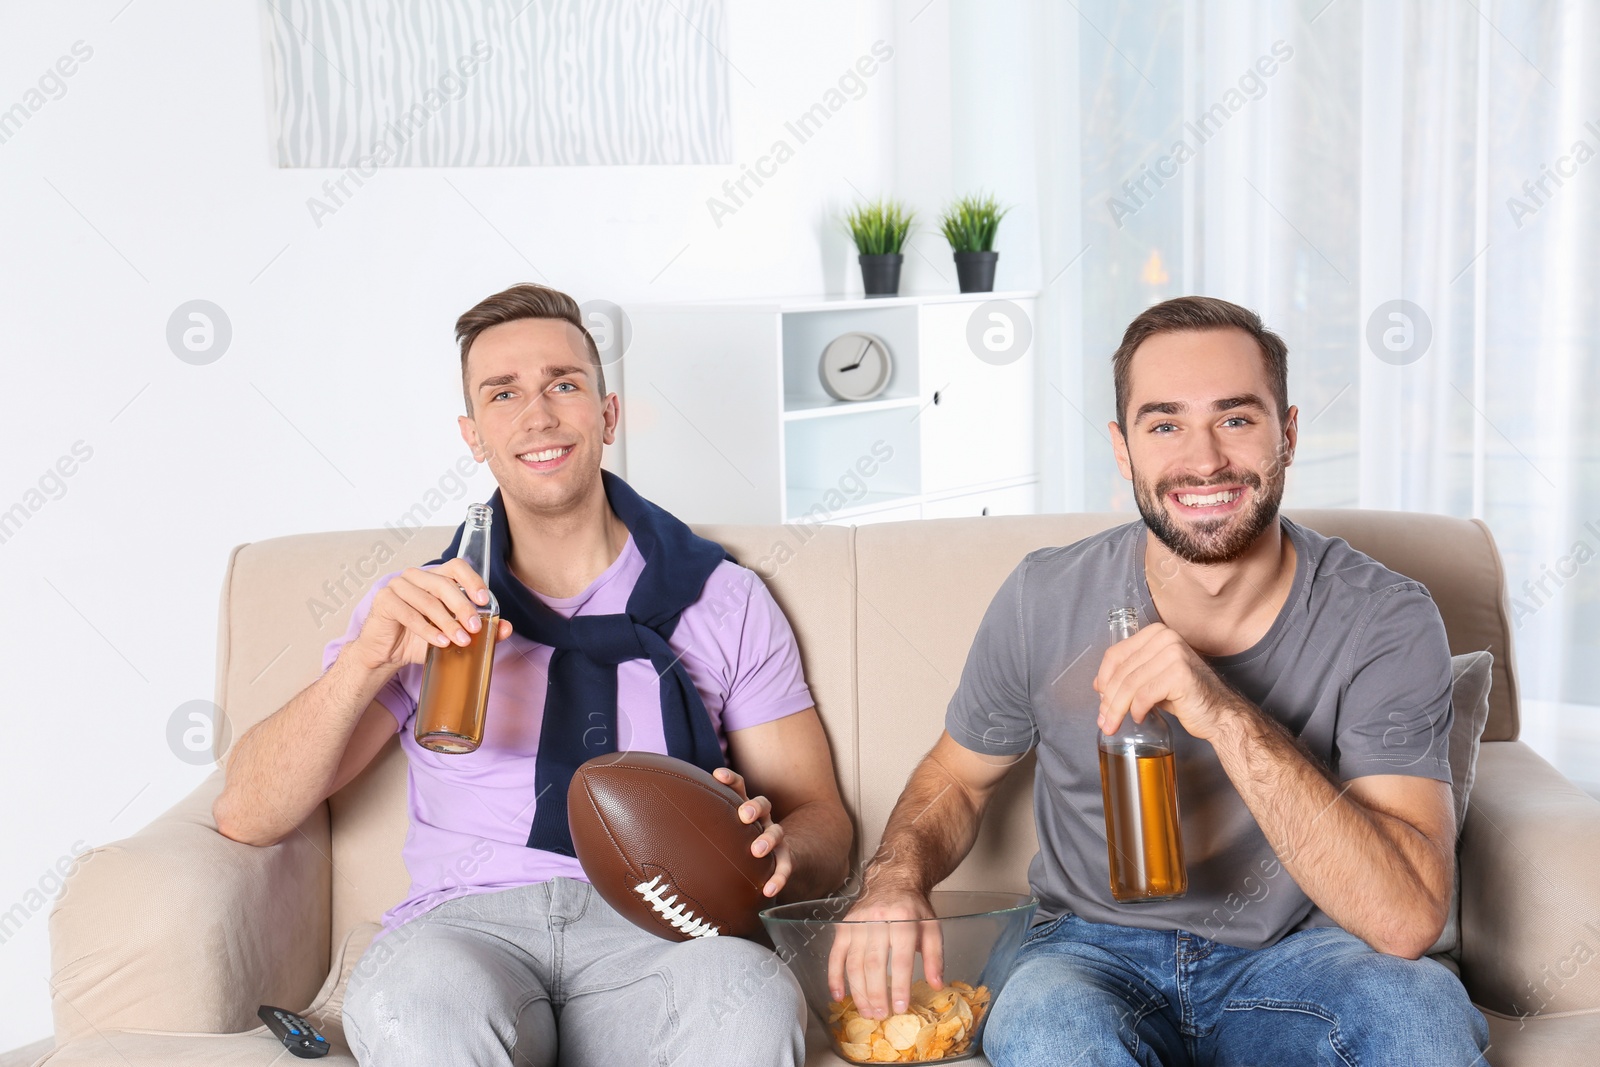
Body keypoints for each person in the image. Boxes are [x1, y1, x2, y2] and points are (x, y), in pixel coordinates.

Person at [832, 296, 1490, 1065]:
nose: (1204, 459)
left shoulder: (1383, 615)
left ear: (1290, 434)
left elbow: (1407, 918)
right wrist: (893, 877)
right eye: (1165, 423)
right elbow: (958, 778)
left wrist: (1221, 710)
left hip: (1300, 954)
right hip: (1087, 952)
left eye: (1237, 419)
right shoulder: (1045, 596)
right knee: (1045, 1028)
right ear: (1124, 448)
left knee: (1419, 1014)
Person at [214, 283, 852, 1066]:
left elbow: (823, 816)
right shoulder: (429, 603)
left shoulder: (723, 598)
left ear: (607, 415)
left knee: (750, 998)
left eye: (564, 384)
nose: (538, 415)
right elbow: (248, 812)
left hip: (658, 931)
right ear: (473, 434)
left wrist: (778, 847)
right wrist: (365, 660)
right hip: (466, 931)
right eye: (503, 393)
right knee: (421, 1007)